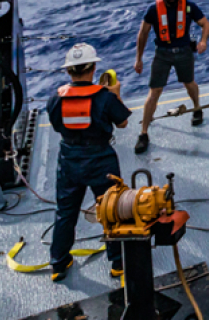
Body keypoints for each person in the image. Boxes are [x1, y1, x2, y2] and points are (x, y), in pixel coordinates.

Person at [47, 43, 131, 282]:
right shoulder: (105, 97)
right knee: (111, 210)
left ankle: (59, 264)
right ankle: (118, 264)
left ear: (68, 70)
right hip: (100, 159)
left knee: (65, 212)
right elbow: (122, 123)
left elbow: (56, 125)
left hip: (69, 159)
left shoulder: (56, 98)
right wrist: (115, 93)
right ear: (94, 68)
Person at [133, 0, 209, 154]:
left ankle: (197, 108)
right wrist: (139, 58)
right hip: (162, 54)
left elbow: (205, 24)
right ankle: (143, 133)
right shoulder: (153, 9)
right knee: (154, 91)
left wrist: (203, 41)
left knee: (189, 83)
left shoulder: (189, 7)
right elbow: (143, 33)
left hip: (184, 52)